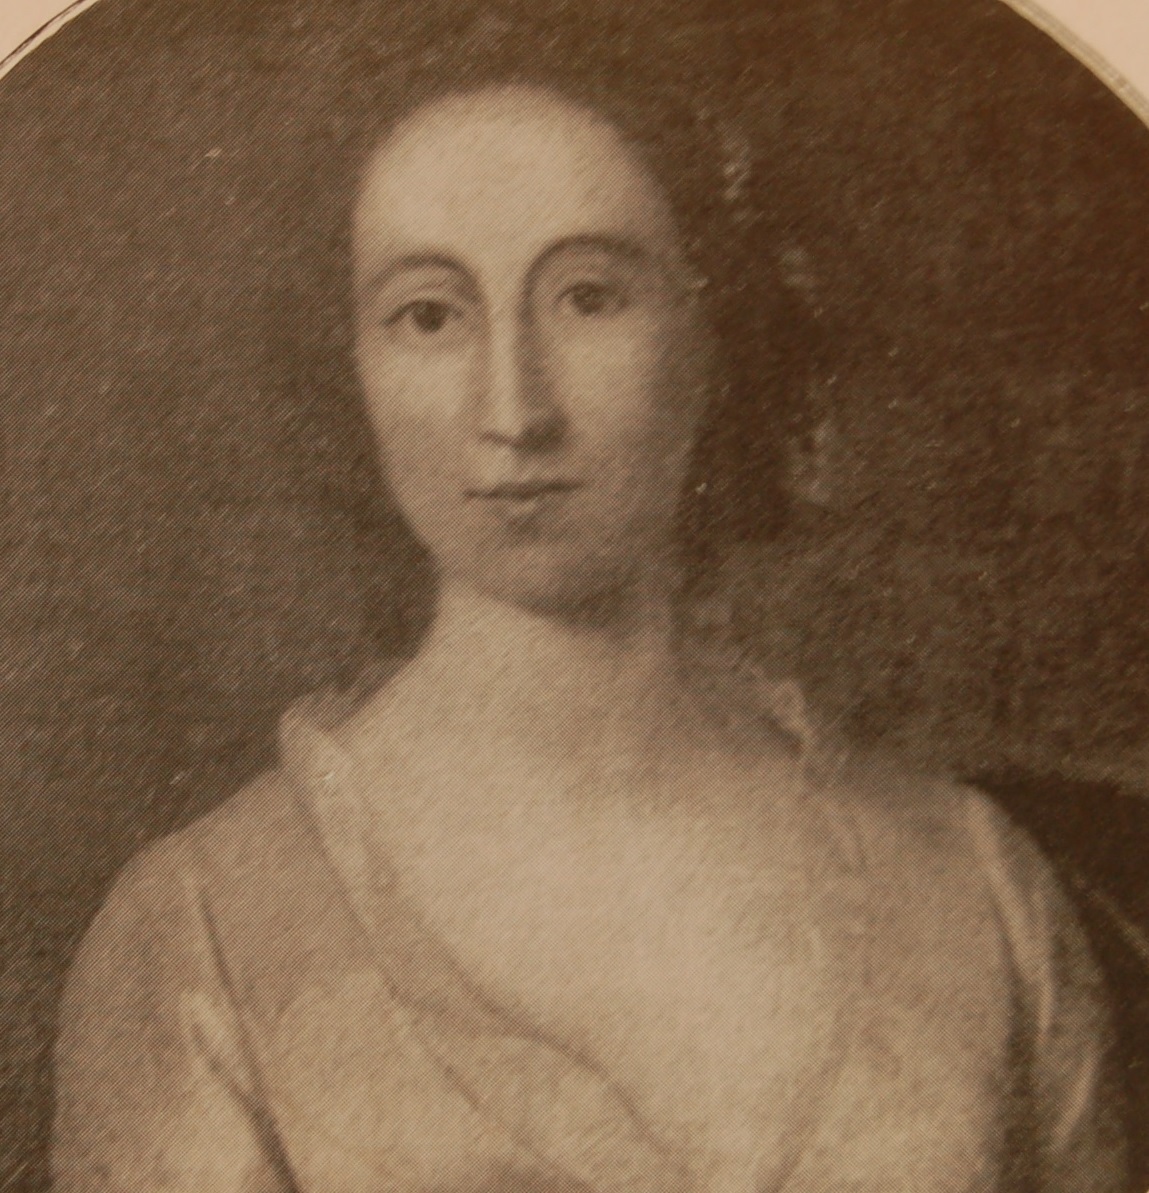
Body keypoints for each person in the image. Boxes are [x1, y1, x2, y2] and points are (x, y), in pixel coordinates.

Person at [51, 6, 1127, 1190]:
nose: (515, 408)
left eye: (589, 297)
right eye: (429, 314)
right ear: (346, 365)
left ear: (718, 331)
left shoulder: (972, 885)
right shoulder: (204, 927)